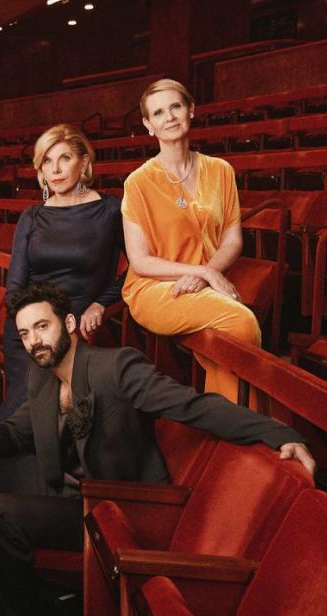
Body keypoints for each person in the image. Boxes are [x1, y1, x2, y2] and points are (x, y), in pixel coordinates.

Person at [0, 281, 314, 616]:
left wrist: (280, 432)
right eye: (26, 334)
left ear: (68, 323)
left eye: (42, 327)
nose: (35, 342)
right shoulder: (42, 375)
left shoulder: (116, 367)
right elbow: (15, 434)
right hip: (66, 487)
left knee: (0, 512)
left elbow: (193, 406)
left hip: (112, 503)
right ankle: (6, 582)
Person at [121, 77, 258, 400]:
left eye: (175, 107)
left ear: (191, 110)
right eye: (158, 113)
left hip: (200, 285)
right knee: (242, 322)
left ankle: (233, 428)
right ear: (148, 125)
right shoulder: (138, 183)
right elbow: (140, 261)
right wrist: (204, 273)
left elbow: (232, 240)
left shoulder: (220, 170)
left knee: (222, 346)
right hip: (153, 288)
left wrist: (205, 273)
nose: (168, 117)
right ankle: (246, 424)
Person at [0, 123, 125, 421]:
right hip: (28, 330)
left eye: (65, 158)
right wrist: (31, 327)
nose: (55, 169)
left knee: (37, 412)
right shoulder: (32, 216)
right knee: (25, 408)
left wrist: (101, 302)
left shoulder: (110, 211)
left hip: (74, 327)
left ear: (84, 163)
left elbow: (139, 269)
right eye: (47, 161)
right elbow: (14, 288)